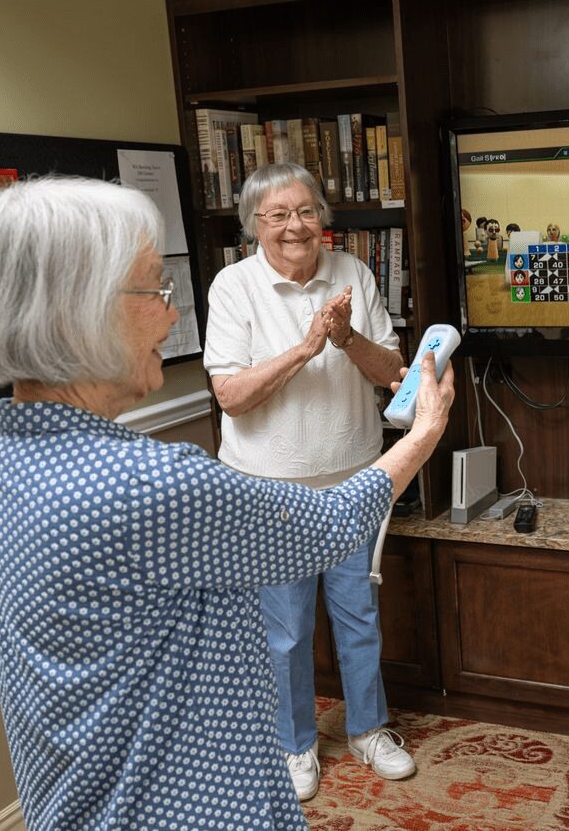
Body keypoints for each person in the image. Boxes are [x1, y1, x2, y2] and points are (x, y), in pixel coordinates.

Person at [0, 175, 454, 829]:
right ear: (78, 309)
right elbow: (329, 523)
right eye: (155, 287)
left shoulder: (4, 458)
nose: (172, 313)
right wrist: (427, 430)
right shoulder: (145, 486)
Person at [203, 161, 420, 804]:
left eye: (305, 212)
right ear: (254, 228)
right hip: (269, 491)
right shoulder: (232, 286)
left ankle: (369, 731)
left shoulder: (353, 273)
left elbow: (394, 375)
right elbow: (232, 397)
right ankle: (296, 744)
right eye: (278, 215)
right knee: (287, 629)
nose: (295, 226)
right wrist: (305, 347)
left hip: (354, 481)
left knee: (359, 617)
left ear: (322, 219)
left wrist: (346, 336)